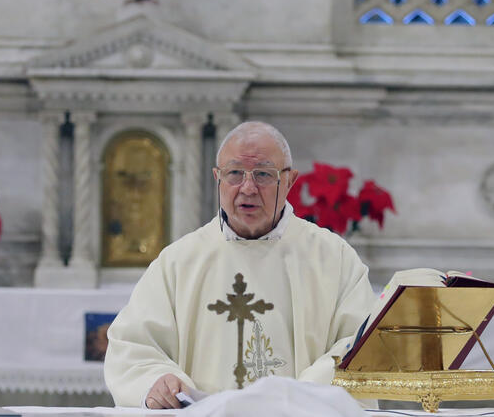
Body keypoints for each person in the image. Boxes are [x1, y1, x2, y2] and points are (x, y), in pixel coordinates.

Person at [104, 121, 375, 409]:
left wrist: (297, 398)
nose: (248, 188)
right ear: (217, 178)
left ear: (289, 181)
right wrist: (158, 381)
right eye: (234, 173)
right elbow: (133, 347)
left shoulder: (334, 258)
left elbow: (361, 346)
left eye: (263, 174)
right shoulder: (178, 262)